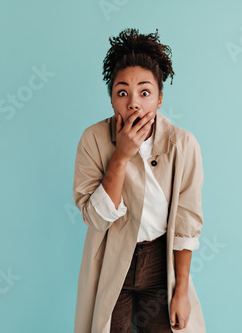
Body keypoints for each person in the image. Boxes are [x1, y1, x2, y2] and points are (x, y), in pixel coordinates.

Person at [73, 28, 206, 333]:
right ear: (111, 100)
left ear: (160, 99)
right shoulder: (93, 139)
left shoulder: (183, 144)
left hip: (161, 263)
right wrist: (120, 156)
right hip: (111, 262)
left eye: (145, 92)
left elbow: (186, 223)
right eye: (123, 93)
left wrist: (181, 292)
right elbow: (95, 218)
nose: (134, 103)